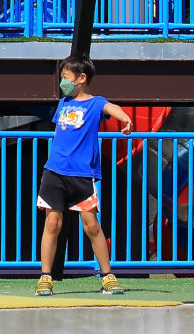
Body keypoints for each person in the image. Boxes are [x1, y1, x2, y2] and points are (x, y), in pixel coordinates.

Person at [38, 55, 132, 296]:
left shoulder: (95, 103)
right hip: (54, 172)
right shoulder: (62, 104)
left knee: (91, 225)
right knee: (52, 222)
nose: (63, 82)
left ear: (81, 78)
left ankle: (107, 276)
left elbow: (112, 108)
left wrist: (125, 119)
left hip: (81, 175)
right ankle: (45, 277)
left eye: (66, 77)